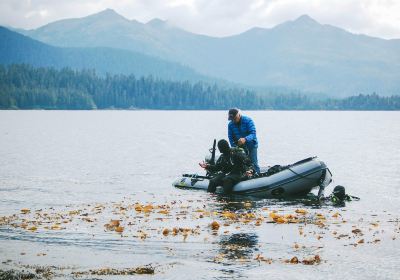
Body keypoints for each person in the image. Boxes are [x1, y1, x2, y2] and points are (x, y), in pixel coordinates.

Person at [227, 108, 260, 174]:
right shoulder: (230, 125)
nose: (233, 120)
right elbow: (230, 137)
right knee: (243, 164)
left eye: (235, 118)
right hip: (240, 147)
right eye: (232, 119)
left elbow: (253, 134)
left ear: (239, 115)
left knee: (254, 163)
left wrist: (245, 139)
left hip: (251, 145)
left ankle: (257, 175)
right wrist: (234, 148)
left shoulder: (248, 120)